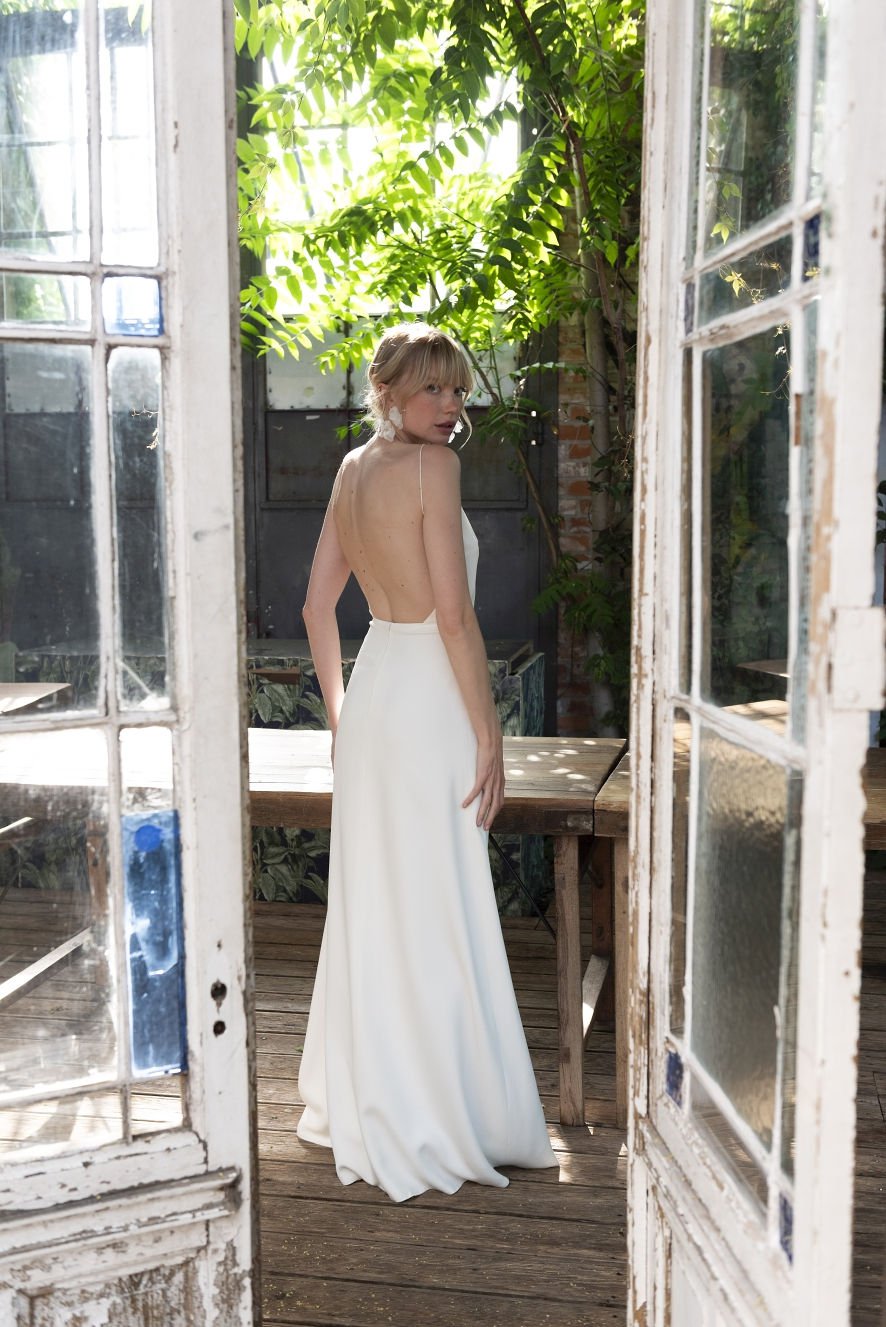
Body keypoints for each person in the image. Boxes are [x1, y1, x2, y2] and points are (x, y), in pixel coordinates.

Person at [296, 322, 557, 1201]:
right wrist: (491, 732)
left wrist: (339, 713)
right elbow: (454, 618)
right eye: (433, 390)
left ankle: (378, 1093)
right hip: (429, 697)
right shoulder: (431, 470)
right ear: (391, 393)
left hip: (375, 698)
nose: (452, 407)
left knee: (381, 896)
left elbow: (315, 607)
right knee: (440, 894)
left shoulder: (349, 471)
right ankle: (448, 1108)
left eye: (457, 390)